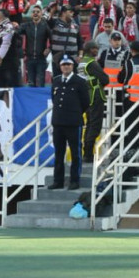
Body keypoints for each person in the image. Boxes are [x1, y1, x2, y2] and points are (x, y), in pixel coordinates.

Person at [48, 55, 90, 191]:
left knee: (75, 153)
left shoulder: (80, 81)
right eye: (63, 65)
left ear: (73, 66)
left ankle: (74, 180)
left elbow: (85, 102)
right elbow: (54, 98)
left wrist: (75, 113)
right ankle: (58, 180)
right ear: (60, 67)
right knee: (59, 153)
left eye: (68, 64)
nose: (66, 67)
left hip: (73, 122)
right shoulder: (56, 81)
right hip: (58, 122)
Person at [79, 41, 109, 162]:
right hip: (95, 95)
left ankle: (87, 153)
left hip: (86, 96)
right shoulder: (92, 63)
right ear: (89, 49)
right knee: (95, 126)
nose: (96, 50)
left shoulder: (81, 63)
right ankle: (88, 154)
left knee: (90, 125)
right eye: (94, 48)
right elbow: (105, 79)